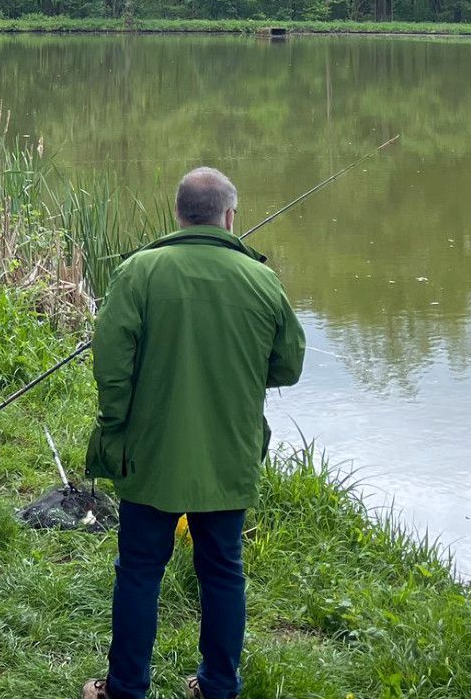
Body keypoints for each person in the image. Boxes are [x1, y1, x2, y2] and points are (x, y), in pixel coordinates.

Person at [82, 167, 306, 699]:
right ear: (230, 217)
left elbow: (111, 364)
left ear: (178, 214)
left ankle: (125, 688)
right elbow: (288, 365)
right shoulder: (262, 280)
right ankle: (218, 686)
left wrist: (115, 425)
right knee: (223, 571)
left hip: (149, 452)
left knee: (139, 571)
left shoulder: (139, 271)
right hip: (228, 453)